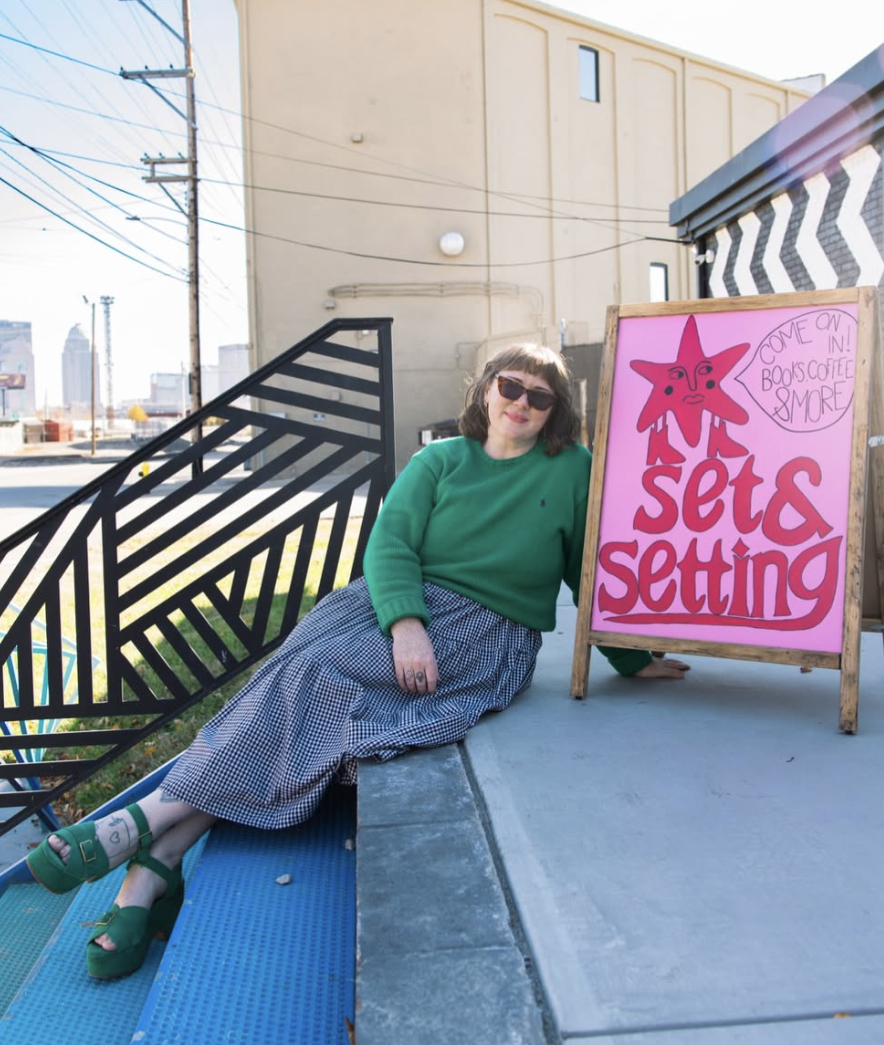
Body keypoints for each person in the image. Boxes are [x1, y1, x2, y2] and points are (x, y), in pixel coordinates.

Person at [26, 343, 688, 979]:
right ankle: (158, 852)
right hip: (398, 607)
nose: (520, 402)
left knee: (316, 687)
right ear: (487, 389)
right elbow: (392, 543)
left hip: (489, 629)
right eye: (509, 386)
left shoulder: (571, 467)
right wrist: (406, 627)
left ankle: (147, 838)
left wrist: (628, 658)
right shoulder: (442, 461)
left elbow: (587, 568)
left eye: (538, 397)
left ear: (556, 411)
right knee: (300, 674)